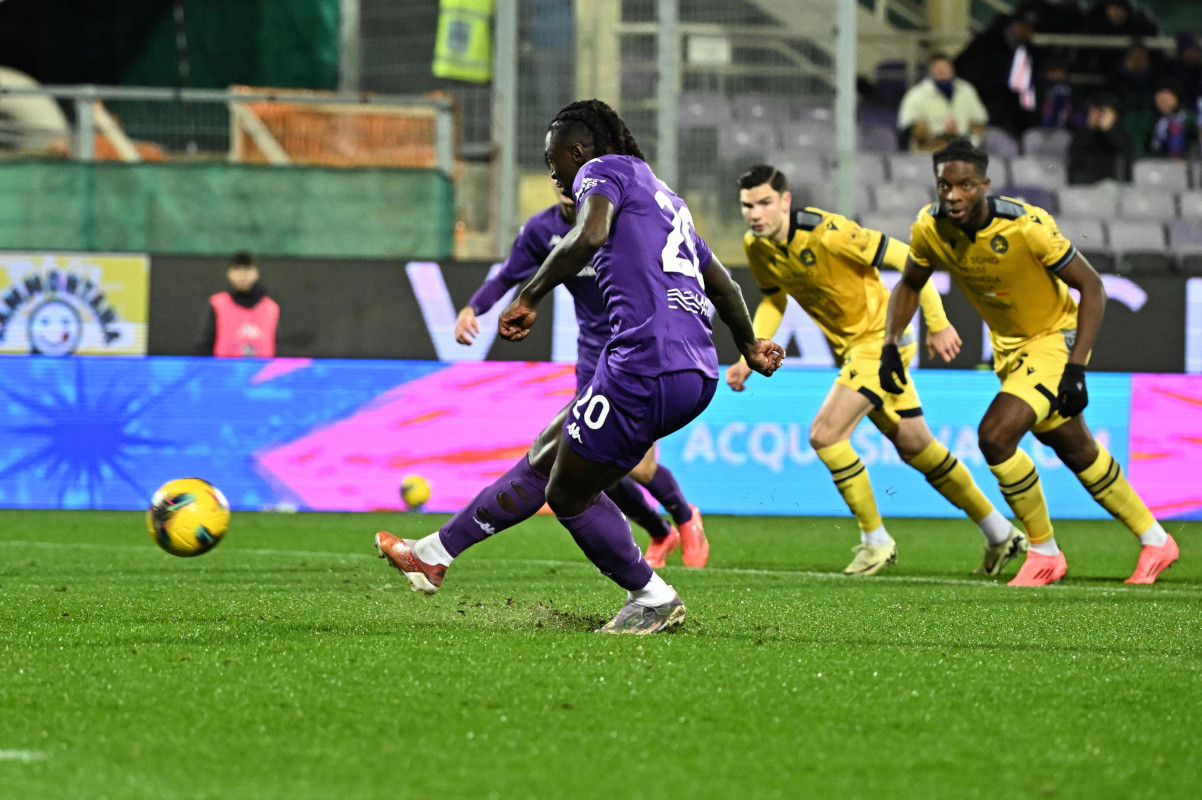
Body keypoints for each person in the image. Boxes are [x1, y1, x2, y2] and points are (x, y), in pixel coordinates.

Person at [375, 99, 785, 633]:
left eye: (554, 162)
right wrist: (749, 345)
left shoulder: (602, 170)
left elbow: (589, 234)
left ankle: (653, 596)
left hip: (645, 361)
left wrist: (530, 295)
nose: (554, 175)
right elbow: (723, 284)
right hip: (695, 369)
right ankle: (434, 554)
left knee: (567, 493)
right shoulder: (668, 202)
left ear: (577, 151)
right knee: (551, 448)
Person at [879, 138, 1179, 587]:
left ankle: (1044, 552)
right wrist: (889, 343)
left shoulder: (1027, 226)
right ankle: (1156, 539)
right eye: (945, 186)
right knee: (1076, 449)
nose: (954, 195)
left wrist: (1076, 367)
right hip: (1010, 348)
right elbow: (909, 284)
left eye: (964, 185)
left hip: (1055, 340)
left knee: (995, 436)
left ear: (985, 184)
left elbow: (1092, 288)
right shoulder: (929, 227)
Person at [728, 165, 1026, 577]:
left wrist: (937, 321)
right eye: (748, 206)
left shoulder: (829, 232)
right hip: (854, 349)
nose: (755, 213)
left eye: (764, 203)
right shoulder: (756, 246)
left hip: (881, 343)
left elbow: (911, 259)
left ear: (785, 201)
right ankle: (1000, 532)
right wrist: (750, 352)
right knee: (918, 448)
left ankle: (875, 541)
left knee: (825, 434)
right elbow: (774, 300)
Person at [453, 178, 709, 568]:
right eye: (555, 173)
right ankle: (660, 532)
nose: (562, 182)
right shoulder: (542, 230)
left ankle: (686, 516)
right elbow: (508, 276)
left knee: (637, 464)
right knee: (591, 465)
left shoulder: (626, 220)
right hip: (594, 357)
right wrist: (474, 307)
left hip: (642, 348)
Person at [954, 4, 1042, 139]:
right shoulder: (987, 43)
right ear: (1014, 24)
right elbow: (966, 73)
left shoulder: (1029, 52)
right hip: (984, 107)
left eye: (1030, 28)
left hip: (1013, 117)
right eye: (1023, 25)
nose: (1026, 30)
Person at [897, 54, 989, 151]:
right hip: (930, 150)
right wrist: (941, 132)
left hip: (964, 148)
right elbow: (908, 128)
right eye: (937, 68)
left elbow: (980, 120)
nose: (941, 71)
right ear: (931, 71)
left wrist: (965, 133)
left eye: (945, 67)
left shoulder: (966, 90)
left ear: (952, 70)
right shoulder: (916, 94)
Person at [196, 251, 279, 357]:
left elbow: (278, 345)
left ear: (256, 273)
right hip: (226, 370)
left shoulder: (271, 308)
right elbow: (204, 343)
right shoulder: (217, 304)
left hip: (261, 371)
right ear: (229, 273)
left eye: (247, 269)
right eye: (237, 269)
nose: (242, 275)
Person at [1067, 93, 1133, 184]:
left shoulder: (1122, 134)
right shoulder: (1081, 135)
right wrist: (1091, 126)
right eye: (1094, 112)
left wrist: (1108, 129)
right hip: (1086, 187)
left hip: (1113, 187)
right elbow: (1074, 157)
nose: (1099, 116)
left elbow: (1123, 150)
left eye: (1104, 112)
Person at [1145, 80, 1199, 159]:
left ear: (1176, 98)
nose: (1164, 99)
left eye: (1168, 95)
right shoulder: (1147, 119)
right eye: (1160, 95)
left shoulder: (1187, 119)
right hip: (1153, 165)